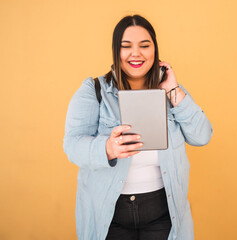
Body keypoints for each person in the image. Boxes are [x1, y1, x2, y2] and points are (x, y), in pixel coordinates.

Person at [63, 14, 213, 240]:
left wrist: (173, 90)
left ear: (155, 50)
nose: (136, 53)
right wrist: (107, 148)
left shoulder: (171, 92)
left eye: (145, 45)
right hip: (110, 216)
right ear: (116, 51)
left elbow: (202, 135)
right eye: (126, 46)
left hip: (163, 215)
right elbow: (72, 145)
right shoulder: (93, 90)